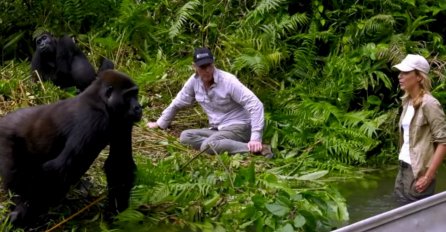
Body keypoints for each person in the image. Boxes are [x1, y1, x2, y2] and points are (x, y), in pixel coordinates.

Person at [147, 47, 273, 158]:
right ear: (194, 67)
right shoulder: (194, 82)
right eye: (202, 67)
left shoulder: (228, 81)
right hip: (218, 129)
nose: (207, 70)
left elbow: (255, 104)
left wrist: (256, 138)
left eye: (209, 65)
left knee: (208, 146)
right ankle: (222, 145)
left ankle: (259, 148)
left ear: (213, 64)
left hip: (240, 126)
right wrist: (160, 123)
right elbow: (178, 102)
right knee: (185, 136)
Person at [393, 54, 446, 204]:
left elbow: (443, 142)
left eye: (405, 73)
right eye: (400, 72)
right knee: (399, 215)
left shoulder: (430, 104)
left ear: (419, 77)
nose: (400, 76)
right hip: (403, 167)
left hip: (418, 172)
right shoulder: (407, 102)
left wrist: (428, 176)